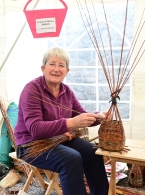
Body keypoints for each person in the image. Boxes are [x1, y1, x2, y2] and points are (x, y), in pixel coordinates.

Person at [14, 47, 109, 195]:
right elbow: (35, 129)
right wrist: (71, 123)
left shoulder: (67, 91)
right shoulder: (32, 90)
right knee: (71, 159)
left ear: (67, 71)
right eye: (52, 64)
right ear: (43, 68)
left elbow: (81, 115)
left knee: (94, 152)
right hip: (31, 145)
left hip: (58, 140)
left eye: (61, 65)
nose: (56, 69)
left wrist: (99, 117)